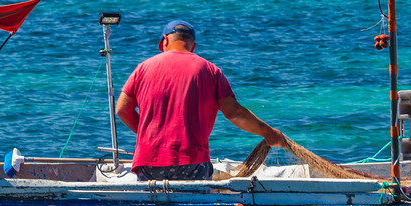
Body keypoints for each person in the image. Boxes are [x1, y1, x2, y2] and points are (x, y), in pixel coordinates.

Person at [115, 19, 286, 180]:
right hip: (192, 162)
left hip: (149, 160)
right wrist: (268, 132)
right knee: (192, 204)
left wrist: (149, 136)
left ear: (165, 40)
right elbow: (234, 113)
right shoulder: (210, 70)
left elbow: (122, 109)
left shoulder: (143, 68)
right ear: (193, 46)